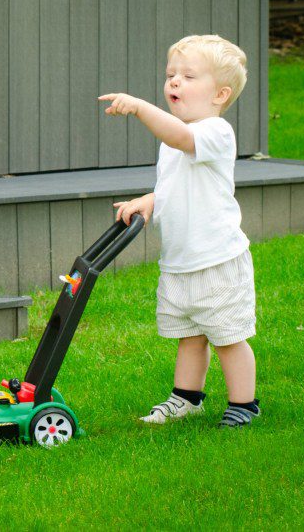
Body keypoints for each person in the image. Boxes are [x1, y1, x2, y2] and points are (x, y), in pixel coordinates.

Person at [99, 34, 259, 428]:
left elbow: (180, 137)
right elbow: (180, 183)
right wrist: (150, 201)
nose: (174, 82)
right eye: (171, 74)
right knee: (189, 335)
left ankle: (244, 404)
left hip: (217, 260)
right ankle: (187, 398)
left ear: (220, 94)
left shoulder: (213, 132)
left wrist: (139, 108)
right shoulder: (176, 139)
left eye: (189, 76)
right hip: (180, 261)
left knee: (226, 337)